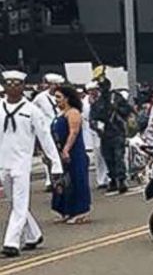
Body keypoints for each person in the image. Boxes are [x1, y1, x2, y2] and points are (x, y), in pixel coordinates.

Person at [0, 70, 64, 257]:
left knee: (19, 204)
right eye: (9, 83)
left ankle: (11, 242)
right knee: (14, 202)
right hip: (3, 162)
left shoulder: (32, 111)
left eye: (17, 84)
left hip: (21, 163)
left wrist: (56, 164)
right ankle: (33, 235)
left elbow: (45, 139)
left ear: (23, 87)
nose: (12, 87)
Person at [50, 85, 92, 224]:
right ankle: (65, 210)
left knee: (76, 180)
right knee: (63, 182)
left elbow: (73, 132)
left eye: (59, 97)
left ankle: (80, 211)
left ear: (67, 98)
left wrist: (66, 149)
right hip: (59, 151)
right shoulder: (59, 114)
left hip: (74, 152)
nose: (56, 100)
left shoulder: (73, 112)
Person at [90, 79, 135, 195]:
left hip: (117, 131)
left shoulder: (116, 97)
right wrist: (97, 127)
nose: (102, 89)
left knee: (118, 156)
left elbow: (128, 110)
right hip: (105, 134)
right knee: (108, 158)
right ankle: (113, 179)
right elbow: (93, 118)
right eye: (100, 86)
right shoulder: (97, 102)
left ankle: (121, 180)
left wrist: (117, 109)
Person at [82, 81, 110, 189]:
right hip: (91, 130)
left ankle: (110, 177)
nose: (93, 92)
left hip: (105, 128)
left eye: (95, 90)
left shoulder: (103, 100)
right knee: (98, 155)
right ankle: (101, 179)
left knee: (107, 153)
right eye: (91, 90)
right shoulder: (84, 103)